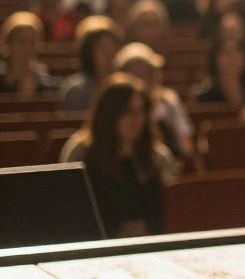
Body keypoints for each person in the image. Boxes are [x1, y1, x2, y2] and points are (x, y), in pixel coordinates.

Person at [58, 73, 177, 237]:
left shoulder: (157, 157)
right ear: (109, 114)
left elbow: (170, 212)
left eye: (141, 112)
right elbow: (70, 210)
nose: (137, 120)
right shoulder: (81, 153)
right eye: (128, 112)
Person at [114, 42, 195, 161]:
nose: (140, 81)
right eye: (134, 75)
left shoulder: (168, 102)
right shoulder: (114, 105)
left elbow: (186, 147)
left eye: (145, 73)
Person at [192, 35, 245, 122]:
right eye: (226, 52)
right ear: (215, 59)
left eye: (238, 51)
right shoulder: (203, 96)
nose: (233, 57)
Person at [59, 15, 123, 111]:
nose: (109, 55)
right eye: (102, 48)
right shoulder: (76, 91)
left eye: (112, 47)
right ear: (88, 52)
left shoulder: (124, 87)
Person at [0, 11, 60, 97]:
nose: (27, 48)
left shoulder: (48, 86)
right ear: (8, 43)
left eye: (32, 42)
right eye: (21, 42)